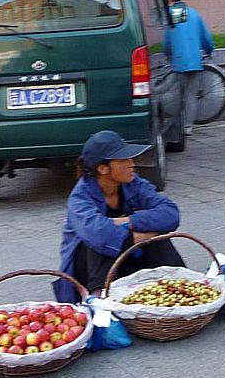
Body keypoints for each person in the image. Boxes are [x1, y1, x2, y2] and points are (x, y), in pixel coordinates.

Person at [53, 130, 183, 303]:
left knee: (158, 233)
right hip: (89, 270)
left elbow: (170, 213)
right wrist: (138, 237)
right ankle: (100, 299)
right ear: (103, 169)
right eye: (124, 160)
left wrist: (129, 221)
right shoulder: (80, 197)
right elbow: (99, 235)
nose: (132, 164)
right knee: (99, 241)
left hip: (126, 260)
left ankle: (179, 285)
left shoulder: (134, 183)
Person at [162, 0, 214, 136]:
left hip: (179, 61)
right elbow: (206, 38)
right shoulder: (193, 13)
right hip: (195, 61)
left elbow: (168, 41)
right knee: (191, 95)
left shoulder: (172, 14)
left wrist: (168, 54)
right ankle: (188, 127)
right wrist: (209, 50)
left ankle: (172, 124)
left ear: (168, 0)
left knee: (176, 94)